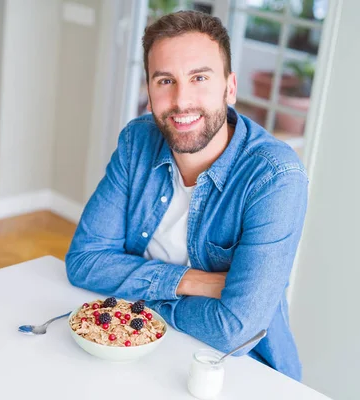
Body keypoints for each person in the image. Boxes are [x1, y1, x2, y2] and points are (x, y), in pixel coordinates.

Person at [65, 10, 307, 381]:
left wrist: (138, 300)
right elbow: (84, 261)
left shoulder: (275, 177)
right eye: (165, 80)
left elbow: (236, 331)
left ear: (230, 87)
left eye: (199, 78)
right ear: (149, 90)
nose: (181, 101)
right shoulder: (137, 141)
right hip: (134, 350)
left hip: (236, 372)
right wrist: (195, 281)